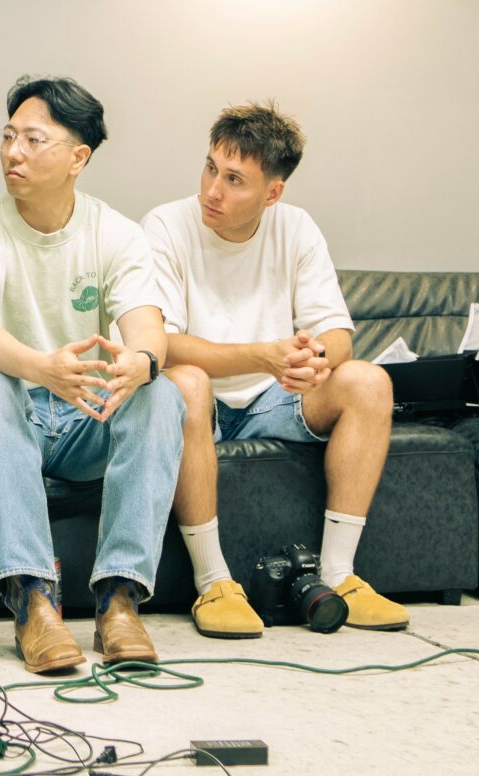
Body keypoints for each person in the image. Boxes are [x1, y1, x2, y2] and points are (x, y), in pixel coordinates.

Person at [0, 75, 185, 674]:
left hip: (82, 417)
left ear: (78, 157)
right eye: (7, 137)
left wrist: (140, 362)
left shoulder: (116, 233)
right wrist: (44, 369)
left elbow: (148, 329)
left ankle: (120, 600)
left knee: (161, 392)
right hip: (4, 411)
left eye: (33, 140)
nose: (12, 152)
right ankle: (34, 603)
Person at [142, 101, 407, 637]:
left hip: (274, 399)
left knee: (369, 381)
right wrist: (265, 354)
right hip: (200, 403)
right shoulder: (165, 225)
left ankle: (339, 576)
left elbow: (337, 335)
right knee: (186, 383)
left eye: (234, 180)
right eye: (211, 168)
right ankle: (213, 582)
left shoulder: (297, 227)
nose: (212, 190)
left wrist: (313, 361)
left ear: (272, 193)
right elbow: (161, 346)